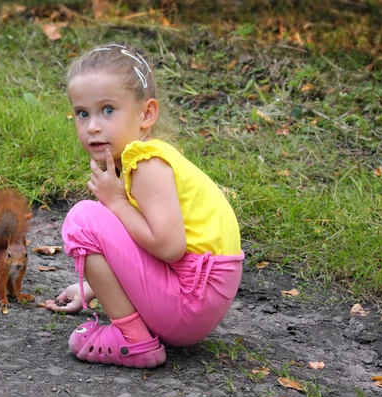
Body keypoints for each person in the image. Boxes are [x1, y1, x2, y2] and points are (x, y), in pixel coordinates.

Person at [44, 43, 244, 368]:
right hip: (194, 298)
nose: (93, 125)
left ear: (146, 114)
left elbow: (169, 248)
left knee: (84, 218)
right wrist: (93, 291)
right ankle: (136, 324)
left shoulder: (147, 165)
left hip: (190, 300)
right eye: (82, 113)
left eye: (107, 110)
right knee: (99, 219)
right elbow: (130, 245)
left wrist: (116, 202)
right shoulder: (138, 162)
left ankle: (134, 342)